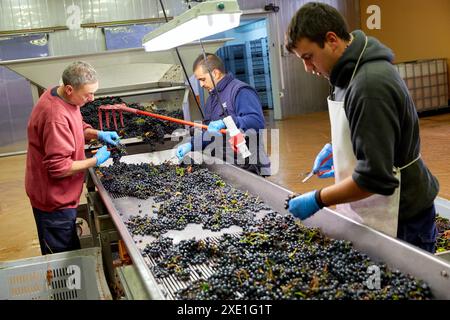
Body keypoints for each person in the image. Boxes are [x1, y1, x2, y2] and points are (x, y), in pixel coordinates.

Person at [284, 3, 439, 253]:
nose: (308, 69)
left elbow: (375, 178)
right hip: (376, 208)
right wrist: (341, 149)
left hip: (403, 216)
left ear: (331, 40)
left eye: (308, 57)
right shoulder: (345, 74)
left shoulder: (369, 85)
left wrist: (318, 199)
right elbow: (373, 130)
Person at [25, 61, 120, 255]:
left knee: (69, 246)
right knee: (62, 257)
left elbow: (76, 125)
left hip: (60, 195)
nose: (92, 99)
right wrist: (95, 161)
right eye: (87, 94)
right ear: (69, 89)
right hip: (53, 200)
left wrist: (97, 133)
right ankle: (68, 285)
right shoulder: (55, 117)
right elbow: (58, 167)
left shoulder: (58, 94)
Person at [176, 53, 271, 176]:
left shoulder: (240, 91)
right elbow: (209, 132)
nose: (201, 84)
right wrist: (192, 144)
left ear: (215, 73)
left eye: (202, 79)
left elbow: (256, 121)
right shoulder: (211, 100)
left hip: (248, 166)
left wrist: (226, 122)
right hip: (225, 165)